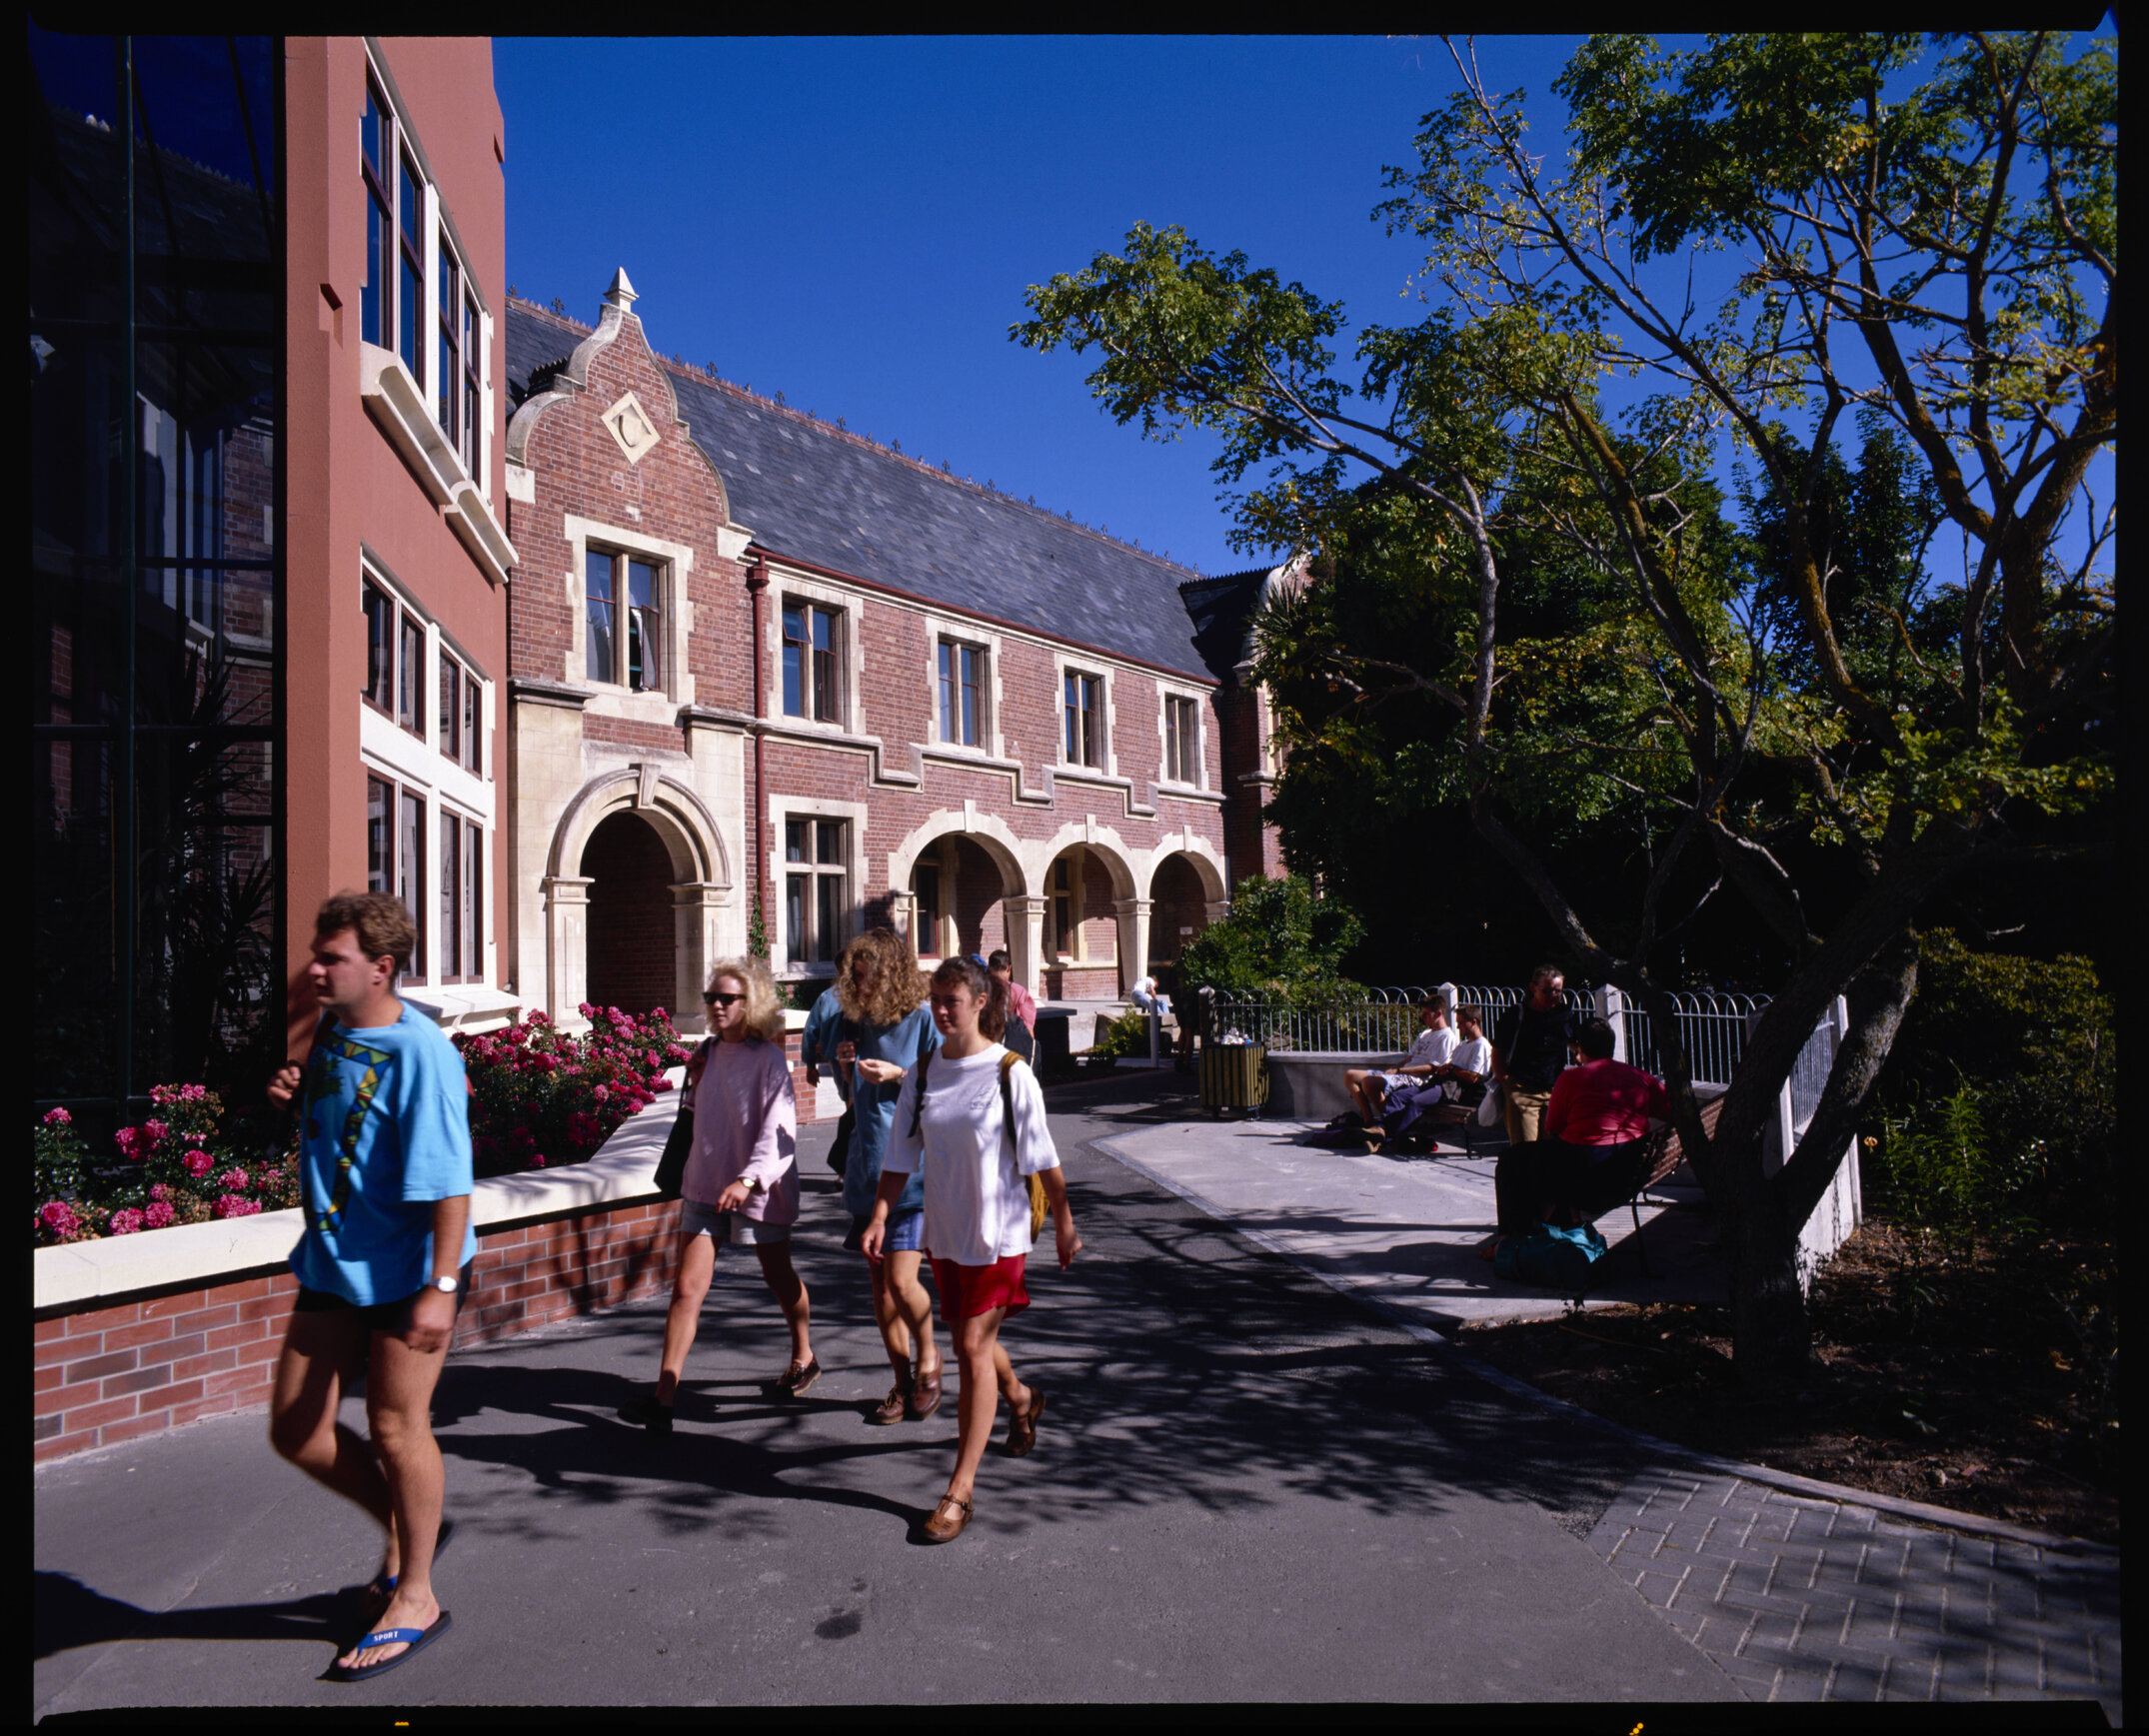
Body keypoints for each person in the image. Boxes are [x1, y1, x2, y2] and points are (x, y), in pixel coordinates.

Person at [265, 891, 475, 1684]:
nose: (314, 969)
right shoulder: (333, 1026)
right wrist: (294, 1093)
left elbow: (451, 1182)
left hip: (410, 1268)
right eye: (317, 955)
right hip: (331, 1259)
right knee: (297, 1429)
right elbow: (342, 1122)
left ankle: (414, 1593)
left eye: (332, 958)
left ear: (381, 967)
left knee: (396, 1427)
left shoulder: (424, 1052)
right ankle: (408, 1524)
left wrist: (442, 1285)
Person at [864, 955, 1080, 1543]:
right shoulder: (924, 1072)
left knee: (966, 1347)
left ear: (979, 1002)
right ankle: (1023, 1397)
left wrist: (1063, 1221)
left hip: (1000, 1233)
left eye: (949, 1000)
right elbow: (900, 1156)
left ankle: (959, 1490)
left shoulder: (1010, 1073)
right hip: (947, 1231)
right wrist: (882, 1214)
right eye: (934, 999)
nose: (938, 1009)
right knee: (974, 1341)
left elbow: (1043, 1157)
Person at [618, 955, 813, 1432]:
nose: (718, 1006)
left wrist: (748, 1179)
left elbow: (779, 1128)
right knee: (686, 1290)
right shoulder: (704, 1053)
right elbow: (695, 1116)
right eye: (712, 999)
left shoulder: (767, 1058)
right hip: (706, 1185)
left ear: (752, 1003)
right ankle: (664, 1399)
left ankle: (803, 1352)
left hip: (757, 1187)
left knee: (778, 1275)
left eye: (729, 998)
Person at [833, 928, 946, 1425]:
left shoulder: (922, 1020)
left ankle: (930, 1362)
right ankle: (900, 1383)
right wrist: (844, 1071)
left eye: (871, 978)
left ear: (893, 976)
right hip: (867, 1169)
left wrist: (899, 1076)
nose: (863, 988)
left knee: (903, 1281)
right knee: (881, 1291)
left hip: (914, 1173)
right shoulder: (848, 1021)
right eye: (856, 979)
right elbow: (850, 1102)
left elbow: (946, 1086)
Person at [1486, 1016, 1670, 1258]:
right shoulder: (1639, 1076)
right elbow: (1667, 1110)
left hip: (1585, 1181)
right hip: (1628, 1172)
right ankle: (1548, 1228)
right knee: (1546, 1162)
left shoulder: (1571, 1078)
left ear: (1580, 1048)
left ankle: (1509, 1241)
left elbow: (1553, 1126)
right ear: (1611, 1046)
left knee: (1513, 1162)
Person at [1490, 965, 1580, 1146]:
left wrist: (1578, 1055)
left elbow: (1573, 1042)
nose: (1553, 995)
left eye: (1558, 991)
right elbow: (1498, 1051)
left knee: (1552, 1148)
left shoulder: (1564, 1014)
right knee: (1525, 1150)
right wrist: (1506, 1080)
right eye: (1547, 991)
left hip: (1554, 1091)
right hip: (1522, 1089)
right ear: (1533, 988)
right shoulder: (1517, 1014)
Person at [1343, 995, 1457, 1134]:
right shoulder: (1425, 1034)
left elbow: (1432, 1069)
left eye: (1426, 1014)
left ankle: (1388, 1126)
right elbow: (1408, 1059)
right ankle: (1371, 1122)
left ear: (1439, 1013)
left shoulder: (1446, 1037)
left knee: (1369, 1083)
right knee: (1350, 1075)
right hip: (1402, 1073)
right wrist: (1392, 1069)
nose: (1422, 1017)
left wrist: (1399, 1071)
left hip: (1417, 1079)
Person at [799, 977, 855, 1176]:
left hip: (853, 1058)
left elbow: (810, 1031)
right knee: (851, 1109)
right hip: (841, 1059)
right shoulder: (829, 997)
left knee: (852, 1109)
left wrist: (811, 1063)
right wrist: (810, 1063)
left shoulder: (829, 996)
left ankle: (846, 1167)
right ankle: (847, 1165)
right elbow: (811, 1031)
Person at [985, 949, 1037, 1063]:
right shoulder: (1019, 992)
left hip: (985, 1050)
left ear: (989, 967)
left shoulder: (980, 990)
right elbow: (1028, 1028)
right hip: (1011, 1054)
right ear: (1009, 968)